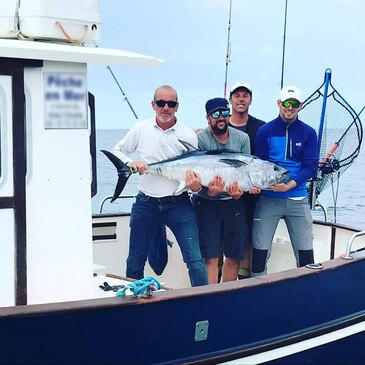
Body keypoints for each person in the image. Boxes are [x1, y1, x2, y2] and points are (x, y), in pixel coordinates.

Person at [112, 85, 208, 287]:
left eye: (171, 104)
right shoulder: (141, 129)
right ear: (153, 105)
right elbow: (118, 150)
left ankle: (202, 304)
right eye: (161, 103)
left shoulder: (188, 135)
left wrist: (196, 186)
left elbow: (195, 176)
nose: (166, 108)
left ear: (177, 107)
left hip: (179, 204)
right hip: (146, 203)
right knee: (135, 261)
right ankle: (133, 304)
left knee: (195, 260)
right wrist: (130, 163)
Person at [187, 97, 255, 284]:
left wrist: (240, 191)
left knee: (234, 255)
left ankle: (227, 297)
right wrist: (206, 191)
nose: (221, 117)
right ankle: (210, 299)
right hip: (206, 203)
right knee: (210, 257)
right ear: (208, 118)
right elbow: (194, 177)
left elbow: (246, 172)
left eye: (224, 113)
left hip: (233, 203)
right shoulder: (199, 139)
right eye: (215, 114)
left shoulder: (242, 138)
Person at [251, 85, 318, 276]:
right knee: (259, 253)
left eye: (294, 103)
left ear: (301, 106)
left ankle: (306, 292)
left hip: (298, 200)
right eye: (286, 103)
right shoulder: (265, 131)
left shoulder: (309, 133)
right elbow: (260, 164)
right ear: (279, 103)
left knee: (306, 255)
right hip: (268, 199)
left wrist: (290, 184)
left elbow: (310, 167)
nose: (290, 107)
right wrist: (259, 186)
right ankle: (257, 291)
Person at [228, 81, 266, 279]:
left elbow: (265, 159)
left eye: (245, 95)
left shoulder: (260, 127)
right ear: (230, 100)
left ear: (250, 100)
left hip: (251, 195)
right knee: (219, 243)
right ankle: (215, 288)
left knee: (248, 242)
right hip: (222, 195)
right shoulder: (220, 124)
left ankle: (244, 284)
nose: (241, 99)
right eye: (237, 95)